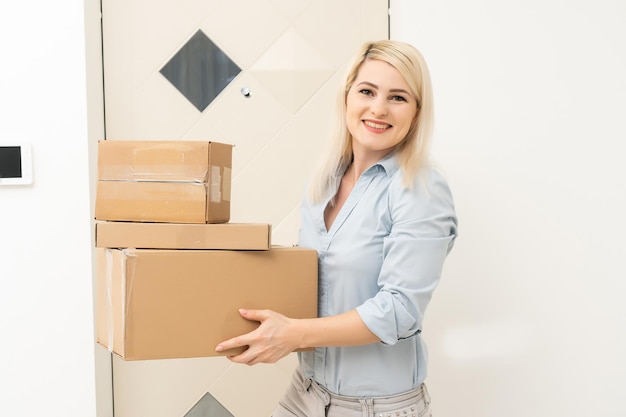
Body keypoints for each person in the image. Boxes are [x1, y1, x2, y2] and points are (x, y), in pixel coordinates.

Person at [215, 39, 458, 417]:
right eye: (367, 91)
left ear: (416, 111)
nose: (378, 108)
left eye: (398, 97)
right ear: (347, 97)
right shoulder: (323, 182)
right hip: (305, 393)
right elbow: (318, 284)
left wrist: (292, 335)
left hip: (375, 408)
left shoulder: (420, 189)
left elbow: (399, 310)